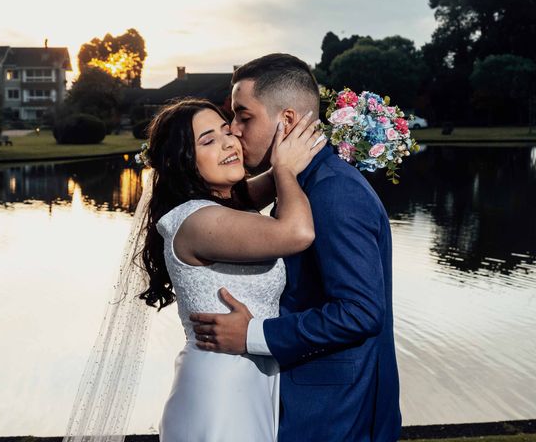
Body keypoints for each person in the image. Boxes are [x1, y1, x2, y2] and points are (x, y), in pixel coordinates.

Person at [190, 54, 402, 441]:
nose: (235, 131)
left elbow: (360, 312)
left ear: (285, 121)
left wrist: (254, 335)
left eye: (244, 116)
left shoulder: (333, 193)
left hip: (335, 413)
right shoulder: (304, 183)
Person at [137, 97, 325, 441]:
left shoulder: (223, 204)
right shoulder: (199, 220)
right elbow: (298, 232)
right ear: (183, 161)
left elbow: (257, 189)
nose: (229, 143)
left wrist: (302, 144)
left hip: (246, 376)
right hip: (220, 388)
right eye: (208, 140)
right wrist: (284, 170)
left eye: (227, 131)